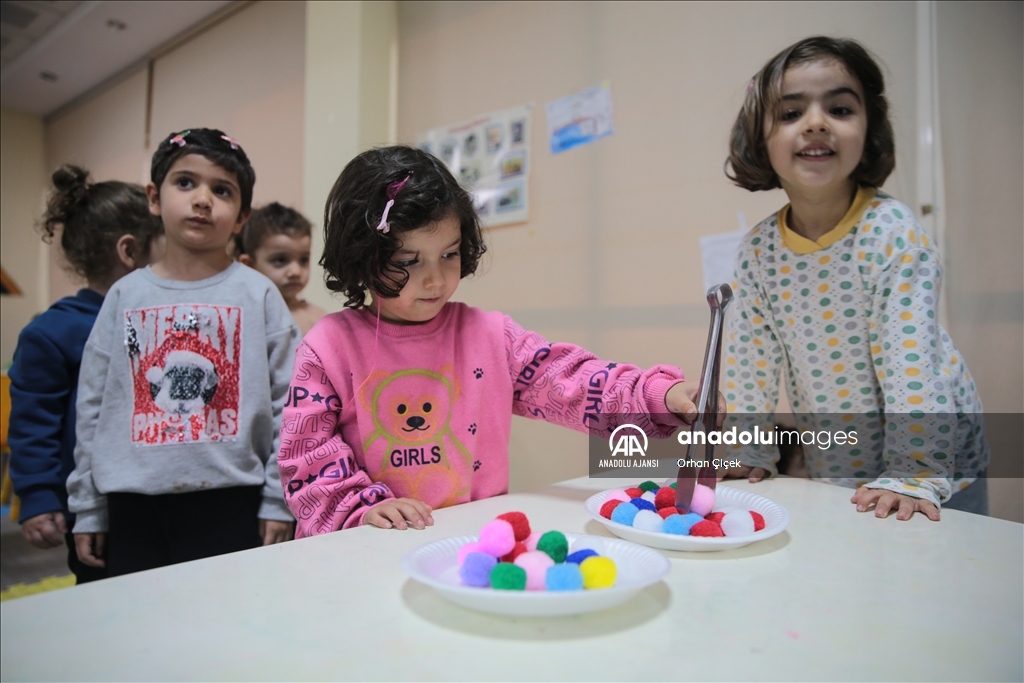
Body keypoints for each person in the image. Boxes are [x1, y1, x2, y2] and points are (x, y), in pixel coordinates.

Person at [279, 146, 709, 536]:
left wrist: (658, 395)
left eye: (449, 254)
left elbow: (571, 381)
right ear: (361, 258)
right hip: (369, 546)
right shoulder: (328, 346)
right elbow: (307, 451)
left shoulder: (490, 336)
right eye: (407, 261)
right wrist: (358, 509)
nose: (435, 278)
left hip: (472, 540)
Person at [720, 36, 989, 520]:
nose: (816, 123)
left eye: (840, 109)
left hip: (938, 460)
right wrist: (748, 449)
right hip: (841, 459)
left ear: (869, 130)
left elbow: (914, 365)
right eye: (789, 113)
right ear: (760, 139)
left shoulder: (893, 235)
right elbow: (748, 363)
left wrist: (917, 472)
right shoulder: (758, 252)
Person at [67, 129, 300, 576]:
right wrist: (88, 505)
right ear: (155, 198)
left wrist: (278, 498)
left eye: (222, 190)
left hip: (235, 500)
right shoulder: (124, 296)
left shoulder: (259, 295)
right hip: (133, 505)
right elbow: (94, 405)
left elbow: (290, 403)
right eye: (186, 183)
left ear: (242, 216)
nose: (202, 199)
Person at [8, 166, 163, 583]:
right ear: (130, 252)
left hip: (148, 495)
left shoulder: (158, 324)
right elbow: (31, 423)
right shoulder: (51, 333)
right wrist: (39, 498)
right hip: (89, 507)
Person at [235, 202, 326, 335]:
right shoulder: (243, 317)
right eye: (280, 260)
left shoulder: (318, 320)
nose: (296, 271)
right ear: (248, 265)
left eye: (303, 260)